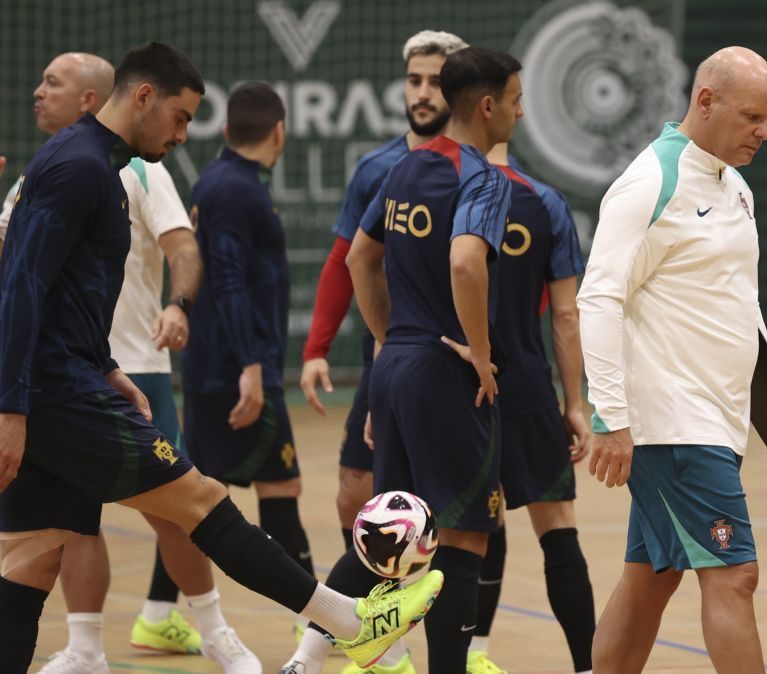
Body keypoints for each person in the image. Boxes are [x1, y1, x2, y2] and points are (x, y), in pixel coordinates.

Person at [0, 41, 443, 674]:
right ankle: (347, 620)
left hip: (68, 381)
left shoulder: (103, 167)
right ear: (144, 96)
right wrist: (10, 406)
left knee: (30, 558)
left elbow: (69, 292)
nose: (184, 135)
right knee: (202, 500)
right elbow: (20, 285)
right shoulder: (77, 167)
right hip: (55, 393)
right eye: (180, 118)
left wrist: (107, 367)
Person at [0, 50, 262, 674]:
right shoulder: (44, 171)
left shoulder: (141, 168)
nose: (39, 93)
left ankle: (215, 629)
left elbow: (184, 247)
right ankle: (87, 645)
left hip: (129, 365)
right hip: (57, 374)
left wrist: (178, 305)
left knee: (176, 507)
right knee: (67, 526)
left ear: (96, 97)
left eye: (54, 83)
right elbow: (18, 279)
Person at [576, 47, 767, 674]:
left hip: (716, 420)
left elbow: (740, 307)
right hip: (675, 426)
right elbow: (598, 299)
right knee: (736, 575)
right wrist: (610, 417)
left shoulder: (735, 188)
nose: (765, 132)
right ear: (705, 101)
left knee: (651, 578)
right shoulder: (650, 182)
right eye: (753, 117)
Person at [284, 46, 523, 674]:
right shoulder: (483, 177)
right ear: (489, 104)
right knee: (466, 536)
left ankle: (305, 662)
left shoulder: (406, 168)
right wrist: (477, 349)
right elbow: (467, 262)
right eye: (518, 101)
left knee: (387, 535)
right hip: (446, 373)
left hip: (394, 366)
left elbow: (360, 257)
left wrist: (389, 340)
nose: (521, 115)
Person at [302, 27, 467, 556]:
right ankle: (371, 617)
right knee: (357, 491)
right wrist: (315, 350)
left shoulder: (479, 173)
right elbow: (344, 259)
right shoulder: (377, 168)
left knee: (458, 501)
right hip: (389, 350)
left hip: (455, 356)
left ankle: (460, 630)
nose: (422, 93)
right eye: (413, 80)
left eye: (436, 82)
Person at [182, 80, 319, 640]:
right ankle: (320, 622)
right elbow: (232, 282)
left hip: (222, 363)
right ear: (279, 132)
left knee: (197, 496)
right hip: (234, 368)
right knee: (276, 486)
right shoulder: (236, 190)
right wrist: (251, 366)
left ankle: (160, 611)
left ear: (225, 128)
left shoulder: (224, 182)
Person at [463, 143, 596, 674]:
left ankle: (470, 656)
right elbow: (566, 316)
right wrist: (575, 403)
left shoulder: (443, 187)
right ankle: (587, 667)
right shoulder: (543, 201)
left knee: (470, 529)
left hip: (459, 388)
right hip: (527, 388)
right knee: (558, 529)